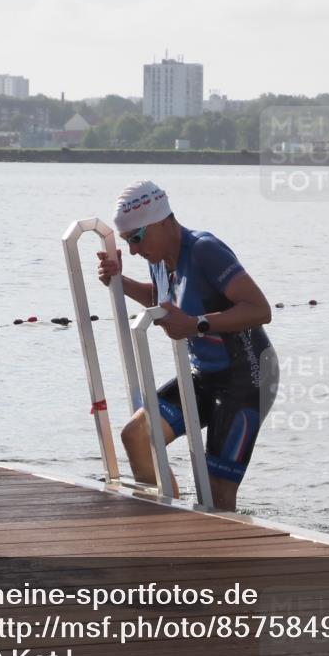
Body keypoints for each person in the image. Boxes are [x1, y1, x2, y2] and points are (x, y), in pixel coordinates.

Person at [97, 180, 278, 511]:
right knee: (137, 437)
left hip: (246, 379)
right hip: (204, 376)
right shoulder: (158, 257)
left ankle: (221, 554)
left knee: (216, 494)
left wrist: (197, 324)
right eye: (127, 241)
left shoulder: (204, 250)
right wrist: (119, 282)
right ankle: (166, 525)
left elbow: (259, 309)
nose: (134, 249)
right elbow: (168, 300)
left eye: (136, 238)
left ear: (162, 221)